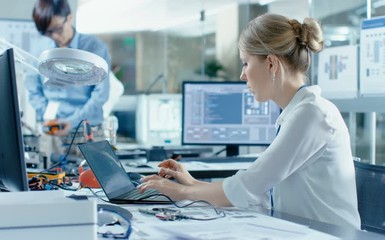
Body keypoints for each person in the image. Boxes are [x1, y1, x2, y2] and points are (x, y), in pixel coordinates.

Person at [138, 13, 361, 229]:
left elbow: (248, 187)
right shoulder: (296, 112)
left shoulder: (312, 115)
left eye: (246, 63)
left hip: (328, 235)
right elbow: (261, 192)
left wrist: (176, 191)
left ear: (271, 64)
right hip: (301, 231)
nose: (242, 75)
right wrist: (192, 183)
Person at [25, 0, 111, 166]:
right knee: (51, 184)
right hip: (52, 133)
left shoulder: (93, 47)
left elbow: (101, 94)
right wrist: (49, 117)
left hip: (87, 131)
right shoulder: (39, 50)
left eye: (57, 29)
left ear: (69, 18)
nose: (55, 36)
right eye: (48, 33)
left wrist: (72, 121)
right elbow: (33, 90)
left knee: (93, 185)